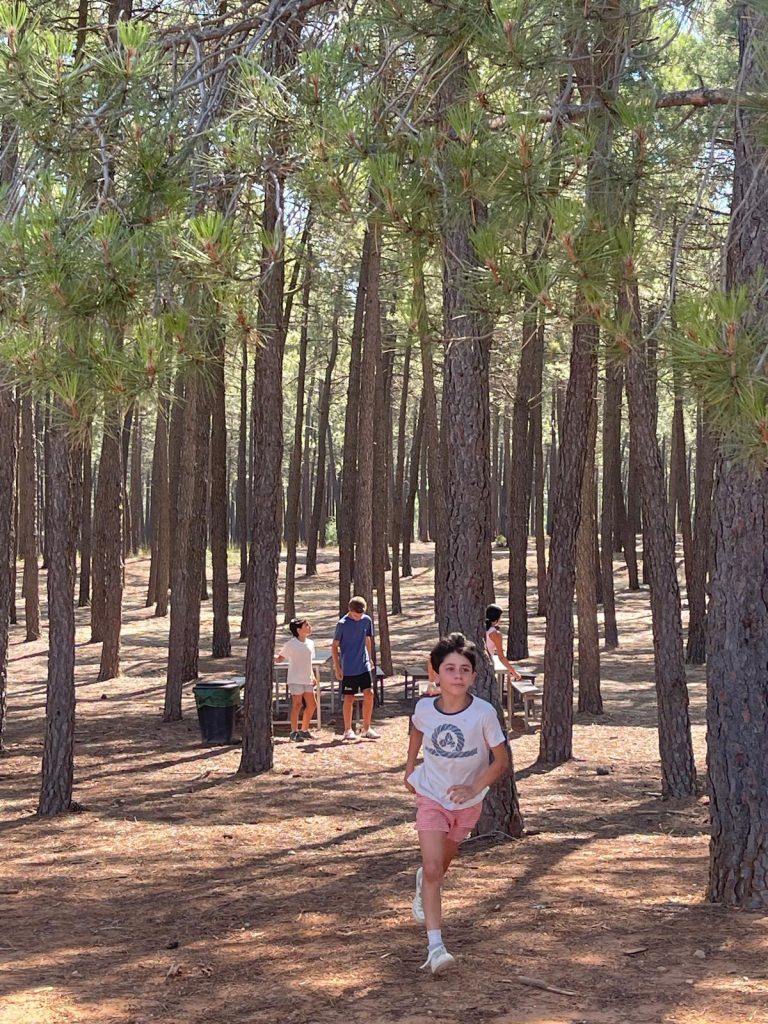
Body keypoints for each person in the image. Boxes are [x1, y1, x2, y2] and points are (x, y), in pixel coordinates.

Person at [405, 632, 509, 975]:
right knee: (434, 868)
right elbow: (417, 730)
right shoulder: (424, 708)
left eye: (465, 670)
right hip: (431, 796)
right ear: (436, 673)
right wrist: (409, 767)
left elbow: (501, 760)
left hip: (468, 803)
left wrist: (473, 788)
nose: (458, 676)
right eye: (450, 669)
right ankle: (435, 948)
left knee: (441, 864)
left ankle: (424, 881)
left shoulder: (483, 713)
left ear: (474, 677)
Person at [332, 596, 380, 741]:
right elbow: (334, 646)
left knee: (369, 694)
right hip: (348, 666)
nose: (358, 617)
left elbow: (367, 639)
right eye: (355, 615)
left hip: (363, 664)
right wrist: (338, 668)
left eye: (360, 614)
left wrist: (369, 657)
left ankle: (366, 728)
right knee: (349, 697)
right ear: (349, 610)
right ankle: (348, 730)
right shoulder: (342, 624)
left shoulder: (367, 620)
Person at [275, 618, 318, 742]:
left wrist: (313, 675)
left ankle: (304, 730)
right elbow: (280, 658)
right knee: (297, 704)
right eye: (306, 625)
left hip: (307, 679)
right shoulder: (291, 644)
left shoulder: (310, 643)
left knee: (312, 704)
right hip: (295, 679)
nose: (309, 627)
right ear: (298, 630)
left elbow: (309, 662)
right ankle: (294, 732)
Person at [484, 603, 522, 682]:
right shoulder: (495, 634)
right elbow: (501, 657)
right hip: (487, 665)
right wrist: (514, 672)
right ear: (496, 619)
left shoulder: (478, 628)